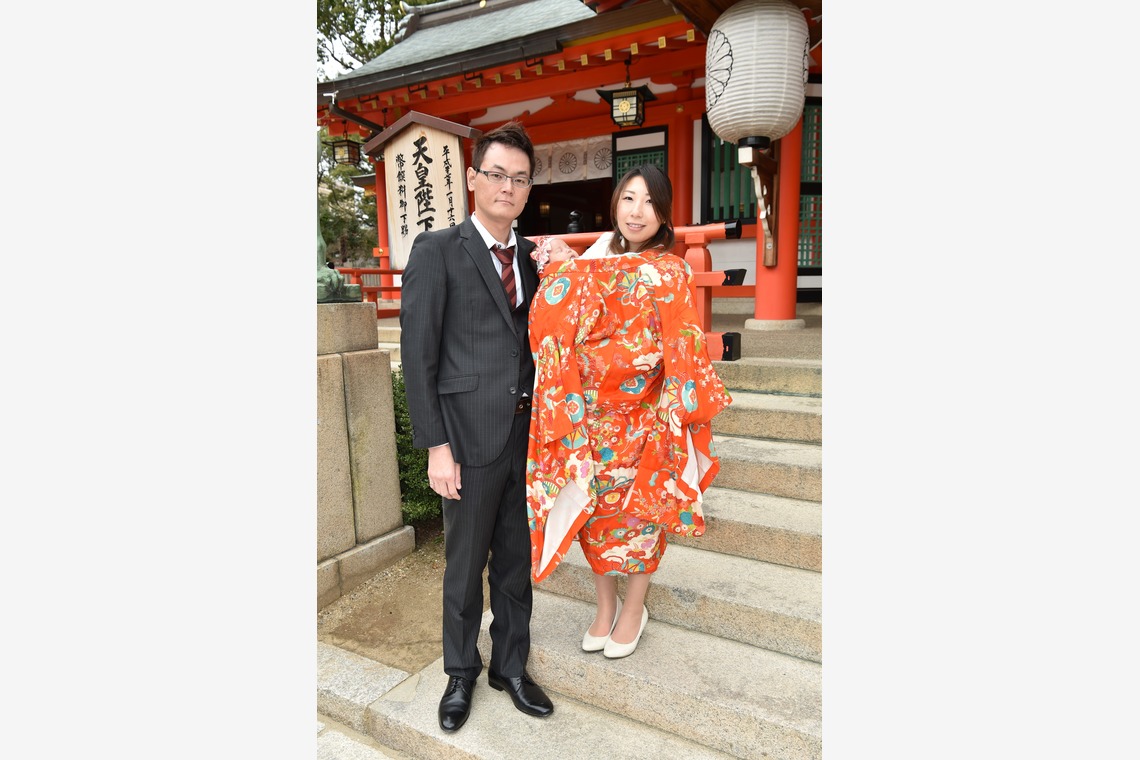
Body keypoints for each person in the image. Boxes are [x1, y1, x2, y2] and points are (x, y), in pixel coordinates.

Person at [525, 164, 732, 659]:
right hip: (591, 416)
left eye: (650, 202)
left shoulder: (671, 270)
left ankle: (634, 608)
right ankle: (604, 607)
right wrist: (555, 266)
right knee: (596, 512)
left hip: (648, 415)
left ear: (664, 214)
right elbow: (554, 324)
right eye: (629, 199)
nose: (637, 212)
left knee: (643, 515)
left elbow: (681, 341)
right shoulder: (592, 258)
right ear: (615, 204)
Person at [400, 121, 562, 733]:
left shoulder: (535, 259)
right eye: (496, 174)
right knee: (466, 565)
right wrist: (436, 447)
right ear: (473, 178)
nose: (507, 187)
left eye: (519, 178)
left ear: (529, 188)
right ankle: (461, 672)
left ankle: (510, 667)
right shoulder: (438, 250)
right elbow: (418, 356)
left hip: (528, 437)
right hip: (466, 440)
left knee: (516, 561)